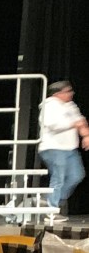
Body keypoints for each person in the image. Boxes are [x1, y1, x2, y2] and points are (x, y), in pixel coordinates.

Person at [38, 77, 89, 212]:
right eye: (68, 91)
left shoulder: (71, 106)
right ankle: (52, 209)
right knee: (58, 178)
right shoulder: (49, 105)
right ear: (58, 93)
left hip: (70, 148)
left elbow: (81, 121)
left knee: (77, 175)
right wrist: (74, 124)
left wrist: (86, 135)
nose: (71, 93)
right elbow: (53, 125)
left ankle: (50, 199)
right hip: (53, 148)